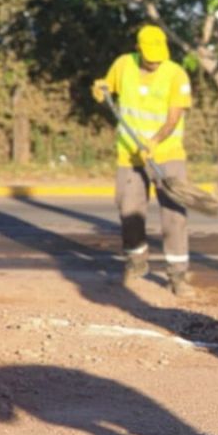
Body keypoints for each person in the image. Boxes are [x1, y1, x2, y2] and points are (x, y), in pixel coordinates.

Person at [92, 25, 196, 297]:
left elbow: (173, 117)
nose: (154, 63)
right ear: (138, 49)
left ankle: (178, 276)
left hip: (167, 154)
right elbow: (107, 86)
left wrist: (155, 141)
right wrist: (101, 89)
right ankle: (136, 263)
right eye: (149, 58)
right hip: (129, 154)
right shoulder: (123, 65)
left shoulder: (176, 74)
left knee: (174, 213)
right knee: (129, 210)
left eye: (158, 58)